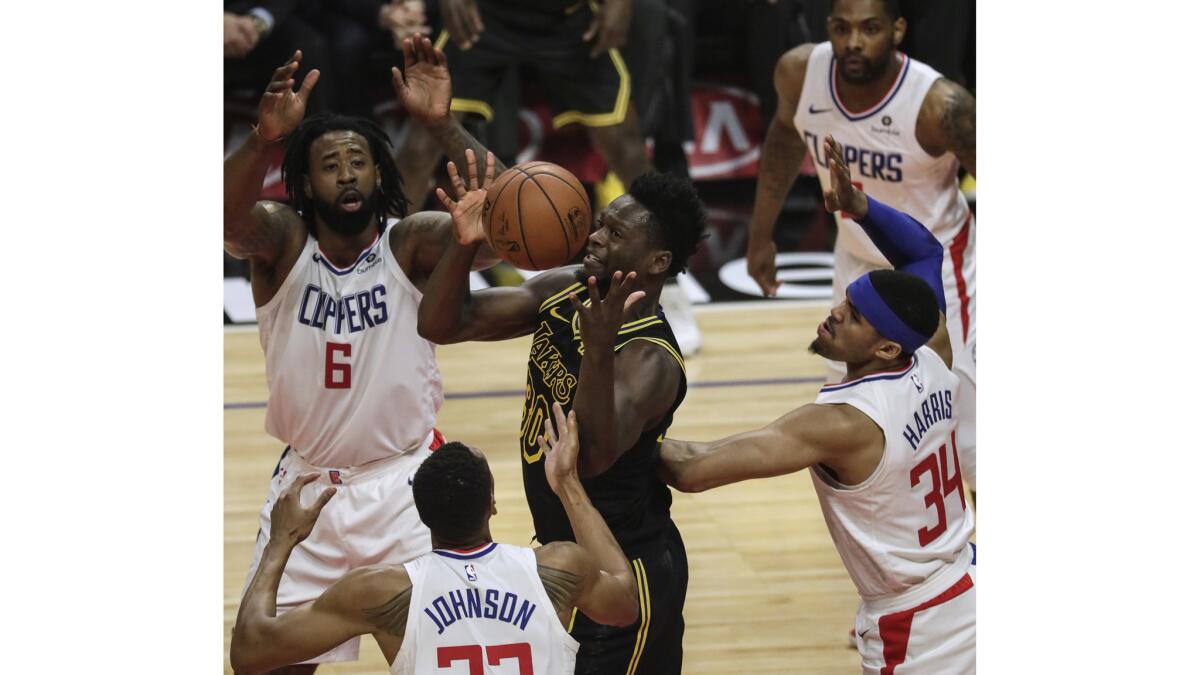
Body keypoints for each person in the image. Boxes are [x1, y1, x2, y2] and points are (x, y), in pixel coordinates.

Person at [395, 36, 706, 675]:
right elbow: (443, 321)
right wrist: (463, 230)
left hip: (628, 570)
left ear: (657, 262)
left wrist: (594, 355)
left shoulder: (651, 360)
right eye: (600, 222)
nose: (593, 236)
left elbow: (590, 456)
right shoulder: (567, 288)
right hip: (562, 558)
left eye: (614, 233)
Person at [223, 49, 500, 672]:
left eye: (358, 162)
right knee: (261, 664)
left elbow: (510, 223)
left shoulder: (411, 242)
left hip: (407, 490)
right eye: (329, 166)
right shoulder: (281, 242)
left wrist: (441, 125)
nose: (346, 175)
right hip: (308, 489)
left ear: (381, 173)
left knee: (438, 661)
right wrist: (262, 141)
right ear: (304, 182)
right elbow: (222, 219)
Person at [661, 135, 975, 674]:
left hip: (918, 627)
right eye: (846, 301)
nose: (834, 313)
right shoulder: (933, 356)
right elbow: (924, 252)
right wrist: (862, 210)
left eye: (853, 317)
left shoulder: (842, 424)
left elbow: (693, 469)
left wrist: (600, 428)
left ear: (885, 347)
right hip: (971, 582)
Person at [745, 0, 977, 494]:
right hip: (858, 267)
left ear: (897, 30)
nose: (853, 42)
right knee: (864, 416)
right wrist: (760, 234)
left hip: (934, 269)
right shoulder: (799, 73)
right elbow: (785, 140)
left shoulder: (940, 105)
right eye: (842, 28)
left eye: (869, 29)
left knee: (967, 436)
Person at [231, 403, 640, 674]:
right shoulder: (558, 568)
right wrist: (567, 483)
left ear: (421, 517)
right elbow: (625, 604)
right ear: (492, 505)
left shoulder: (381, 592)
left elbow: (250, 652)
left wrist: (280, 542)